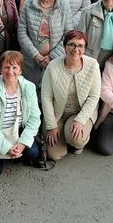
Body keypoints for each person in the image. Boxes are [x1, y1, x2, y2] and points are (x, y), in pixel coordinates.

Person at [41, 30, 101, 159]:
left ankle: (77, 141)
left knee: (76, 139)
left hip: (80, 112)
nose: (76, 49)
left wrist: (81, 120)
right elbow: (46, 98)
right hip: (58, 113)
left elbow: (94, 97)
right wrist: (51, 125)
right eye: (71, 44)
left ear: (84, 48)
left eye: (80, 46)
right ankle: (63, 136)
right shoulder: (52, 66)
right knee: (54, 155)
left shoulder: (92, 65)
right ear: (64, 47)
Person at [0, 51, 41, 174]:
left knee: (33, 153)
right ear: (0, 69)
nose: (10, 71)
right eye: (6, 67)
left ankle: (15, 152)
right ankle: (9, 153)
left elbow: (34, 118)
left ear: (20, 70)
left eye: (14, 67)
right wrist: (6, 147)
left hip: (17, 131)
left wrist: (22, 143)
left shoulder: (29, 87)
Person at [18, 0, 73, 86]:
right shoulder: (29, 3)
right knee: (30, 93)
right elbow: (22, 32)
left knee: (51, 94)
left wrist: (51, 56)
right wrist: (35, 55)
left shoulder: (64, 5)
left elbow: (68, 35)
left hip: (55, 60)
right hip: (31, 60)